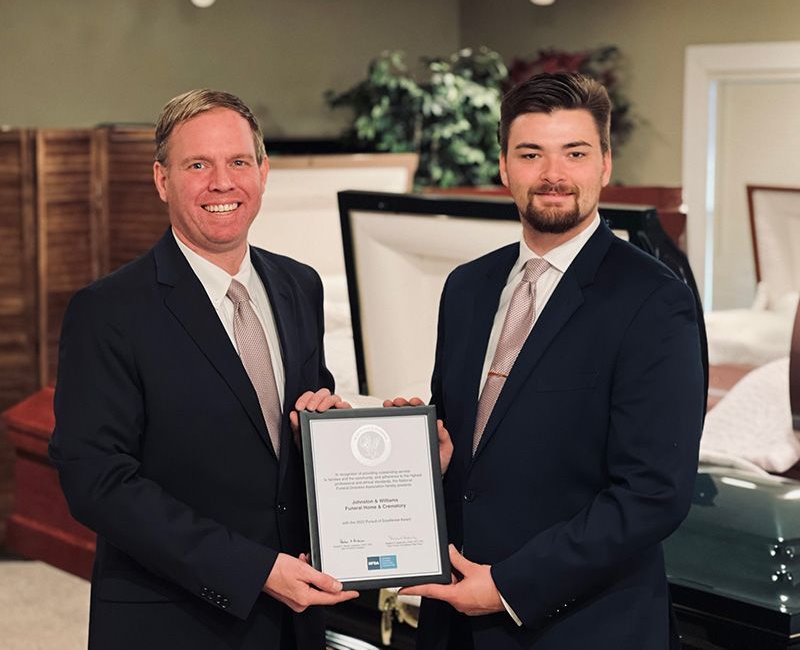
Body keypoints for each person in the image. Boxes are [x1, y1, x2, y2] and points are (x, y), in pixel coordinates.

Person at [391, 73, 705, 649]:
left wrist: (510, 585)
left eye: (575, 153)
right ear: (504, 167)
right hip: (454, 622)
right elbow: (480, 457)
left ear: (606, 165)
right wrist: (424, 458)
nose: (553, 175)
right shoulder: (467, 287)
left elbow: (654, 493)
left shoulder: (654, 300)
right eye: (531, 153)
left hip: (580, 626)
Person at [49, 89, 358, 650]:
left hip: (295, 625)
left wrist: (323, 429)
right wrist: (255, 569)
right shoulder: (108, 311)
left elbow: (302, 421)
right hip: (174, 621)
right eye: (198, 165)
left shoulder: (299, 286)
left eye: (239, 162)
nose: (222, 182)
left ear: (263, 173)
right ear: (162, 180)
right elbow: (97, 481)